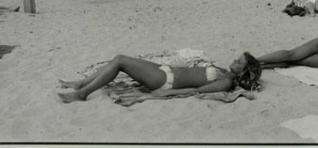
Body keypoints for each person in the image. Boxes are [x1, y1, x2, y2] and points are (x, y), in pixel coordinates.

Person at [57, 51, 262, 103]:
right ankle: (82, 83)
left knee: (120, 60)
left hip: (165, 81)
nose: (234, 61)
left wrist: (167, 92)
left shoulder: (225, 82)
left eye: (238, 63)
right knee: (119, 59)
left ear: (244, 72)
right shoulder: (225, 74)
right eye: (236, 59)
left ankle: (83, 93)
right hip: (165, 70)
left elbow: (197, 91)